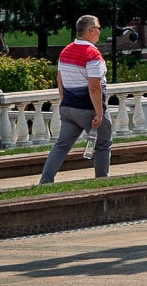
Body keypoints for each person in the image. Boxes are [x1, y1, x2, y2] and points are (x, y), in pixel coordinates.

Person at [41, 15, 112, 183]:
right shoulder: (92, 54)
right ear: (90, 31)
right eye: (98, 28)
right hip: (88, 109)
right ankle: (102, 182)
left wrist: (65, 101)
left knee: (61, 145)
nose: (99, 32)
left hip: (68, 108)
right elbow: (94, 87)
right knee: (103, 144)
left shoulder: (66, 50)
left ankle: (45, 181)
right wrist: (100, 114)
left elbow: (60, 80)